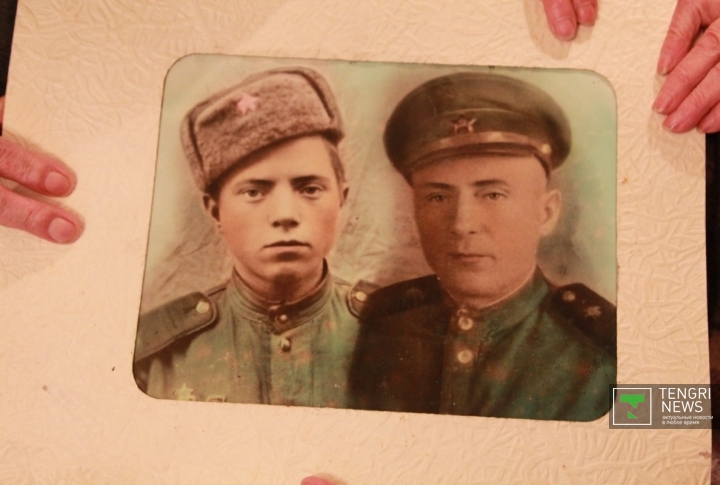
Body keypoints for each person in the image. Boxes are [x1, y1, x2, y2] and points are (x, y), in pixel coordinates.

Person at [350, 72, 617, 421]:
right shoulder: (381, 327)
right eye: (437, 197)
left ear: (547, 213)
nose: (462, 224)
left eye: (493, 195)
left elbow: (673, 422)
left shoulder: (601, 350)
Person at [133, 67, 374, 408]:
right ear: (215, 211)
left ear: (341, 198)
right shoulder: (154, 355)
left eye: (309, 188)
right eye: (254, 192)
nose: (285, 215)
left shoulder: (397, 335)